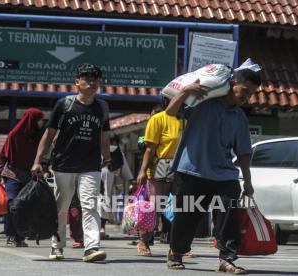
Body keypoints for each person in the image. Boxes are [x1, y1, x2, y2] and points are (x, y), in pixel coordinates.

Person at [165, 60, 260, 274]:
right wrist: (187, 90)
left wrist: (248, 181)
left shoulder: (240, 117)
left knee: (228, 216)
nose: (247, 96)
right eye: (245, 90)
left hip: (224, 174)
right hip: (192, 170)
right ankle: (176, 252)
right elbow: (170, 112)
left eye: (251, 93)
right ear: (232, 83)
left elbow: (244, 152)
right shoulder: (202, 102)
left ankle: (226, 259)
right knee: (187, 216)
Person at [31, 63, 111, 263]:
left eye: (95, 78)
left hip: (90, 165)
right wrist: (37, 161)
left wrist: (106, 156)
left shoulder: (102, 107)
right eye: (86, 78)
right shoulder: (64, 104)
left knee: (91, 205)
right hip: (63, 164)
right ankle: (57, 246)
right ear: (77, 82)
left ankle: (91, 247)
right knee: (61, 207)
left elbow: (104, 135)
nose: (91, 81)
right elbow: (49, 135)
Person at [135, 97, 183, 256]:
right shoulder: (158, 119)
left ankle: (180, 245)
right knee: (154, 208)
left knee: (182, 207)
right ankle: (144, 241)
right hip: (158, 169)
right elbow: (149, 149)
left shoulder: (185, 120)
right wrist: (143, 170)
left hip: (180, 169)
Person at [0, 108, 45, 247]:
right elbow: (4, 156)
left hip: (30, 176)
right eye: (39, 119)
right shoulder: (14, 135)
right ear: (31, 120)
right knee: (13, 203)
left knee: (25, 206)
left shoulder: (39, 136)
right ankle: (11, 235)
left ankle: (20, 236)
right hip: (13, 173)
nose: (41, 123)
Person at [99, 132, 133, 239]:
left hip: (110, 186)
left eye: (113, 142)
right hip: (97, 184)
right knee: (98, 205)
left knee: (104, 206)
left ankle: (101, 228)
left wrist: (128, 190)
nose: (111, 145)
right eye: (109, 142)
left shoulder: (119, 155)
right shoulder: (97, 153)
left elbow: (126, 174)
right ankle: (99, 229)